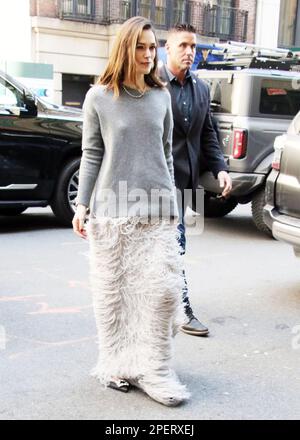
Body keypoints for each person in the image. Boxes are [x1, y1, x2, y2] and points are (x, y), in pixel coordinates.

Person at [72, 16, 190, 407]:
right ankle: (118, 366)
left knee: (162, 292)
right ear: (125, 48)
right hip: (112, 211)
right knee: (116, 296)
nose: (147, 53)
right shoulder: (100, 97)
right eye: (139, 46)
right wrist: (82, 205)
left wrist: (174, 207)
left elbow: (167, 156)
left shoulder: (161, 97)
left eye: (151, 46)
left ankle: (155, 368)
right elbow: (92, 154)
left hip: (157, 211)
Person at [159, 24, 232, 337]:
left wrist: (220, 168)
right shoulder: (153, 85)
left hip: (186, 182)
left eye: (194, 47)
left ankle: (166, 303)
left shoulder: (201, 89)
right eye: (183, 46)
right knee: (173, 244)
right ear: (168, 48)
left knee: (173, 246)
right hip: (156, 181)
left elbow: (207, 134)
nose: (190, 52)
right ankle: (181, 308)